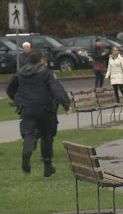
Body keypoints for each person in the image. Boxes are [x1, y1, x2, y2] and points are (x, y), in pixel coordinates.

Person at [6, 49, 73, 177]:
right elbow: (56, 89)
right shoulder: (46, 73)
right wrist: (66, 105)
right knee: (47, 136)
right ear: (41, 59)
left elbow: (10, 89)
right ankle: (47, 166)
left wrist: (19, 100)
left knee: (29, 135)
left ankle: (27, 150)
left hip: (26, 109)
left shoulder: (20, 73)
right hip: (45, 109)